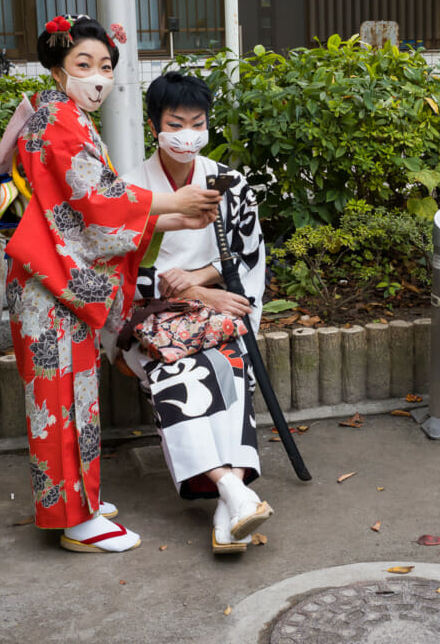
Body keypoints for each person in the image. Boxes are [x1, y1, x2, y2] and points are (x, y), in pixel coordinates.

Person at [0, 15, 220, 553]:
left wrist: (170, 220)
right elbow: (97, 201)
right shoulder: (57, 121)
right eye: (85, 64)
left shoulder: (66, 117)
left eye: (106, 66)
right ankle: (73, 522)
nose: (98, 76)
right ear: (58, 68)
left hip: (56, 281)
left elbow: (83, 218)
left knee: (76, 397)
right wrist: (171, 204)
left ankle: (79, 498)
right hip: (47, 289)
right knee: (60, 400)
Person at [108, 71, 271, 555]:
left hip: (213, 312)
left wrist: (200, 280)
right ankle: (233, 488)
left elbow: (249, 256)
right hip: (147, 321)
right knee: (177, 369)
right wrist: (187, 294)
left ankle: (230, 502)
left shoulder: (230, 183)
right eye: (176, 122)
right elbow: (114, 271)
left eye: (197, 122)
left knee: (230, 361)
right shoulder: (131, 188)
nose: (187, 133)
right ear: (155, 125)